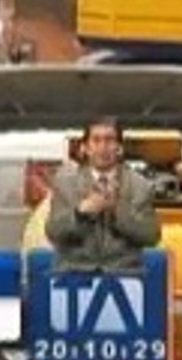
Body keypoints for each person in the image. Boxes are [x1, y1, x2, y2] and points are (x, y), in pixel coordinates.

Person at [45, 116, 161, 274]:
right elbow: (54, 232)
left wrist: (116, 212)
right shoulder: (65, 183)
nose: (103, 147)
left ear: (119, 148)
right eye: (96, 140)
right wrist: (81, 213)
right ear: (85, 147)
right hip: (74, 274)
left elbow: (151, 235)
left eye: (109, 140)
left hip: (124, 275)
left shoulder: (140, 186)